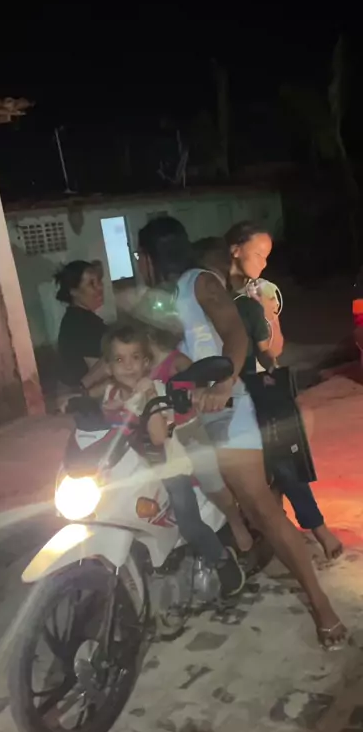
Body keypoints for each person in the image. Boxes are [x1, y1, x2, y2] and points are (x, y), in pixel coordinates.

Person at [137, 216, 346, 649]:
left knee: (264, 510)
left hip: (224, 406)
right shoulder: (157, 299)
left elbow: (234, 334)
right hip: (183, 413)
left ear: (148, 257)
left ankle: (321, 605)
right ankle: (228, 550)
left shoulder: (199, 283)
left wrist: (224, 382)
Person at [196, 233, 343, 563]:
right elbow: (267, 353)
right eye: (259, 255)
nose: (263, 264)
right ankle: (300, 527)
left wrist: (268, 320)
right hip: (234, 393)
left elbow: (268, 350)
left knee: (282, 456)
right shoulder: (230, 306)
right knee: (279, 460)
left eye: (266, 256)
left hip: (238, 392)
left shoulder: (244, 303)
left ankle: (306, 525)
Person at [101, 322, 245, 598]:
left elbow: (157, 436)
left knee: (188, 524)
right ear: (108, 367)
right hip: (131, 468)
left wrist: (148, 397)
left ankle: (222, 560)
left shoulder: (156, 390)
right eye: (119, 360)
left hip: (168, 466)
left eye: (135, 358)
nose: (128, 366)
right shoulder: (111, 394)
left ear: (146, 363)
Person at [147, 325, 254, 556]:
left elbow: (202, 384)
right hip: (156, 437)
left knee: (211, 482)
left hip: (187, 430)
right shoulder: (135, 365)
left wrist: (195, 394)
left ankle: (235, 521)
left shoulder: (176, 361)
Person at [56, 260, 108, 392]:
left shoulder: (75, 318)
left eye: (99, 281)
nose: (99, 288)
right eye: (91, 284)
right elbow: (99, 375)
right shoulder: (82, 326)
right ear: (74, 291)